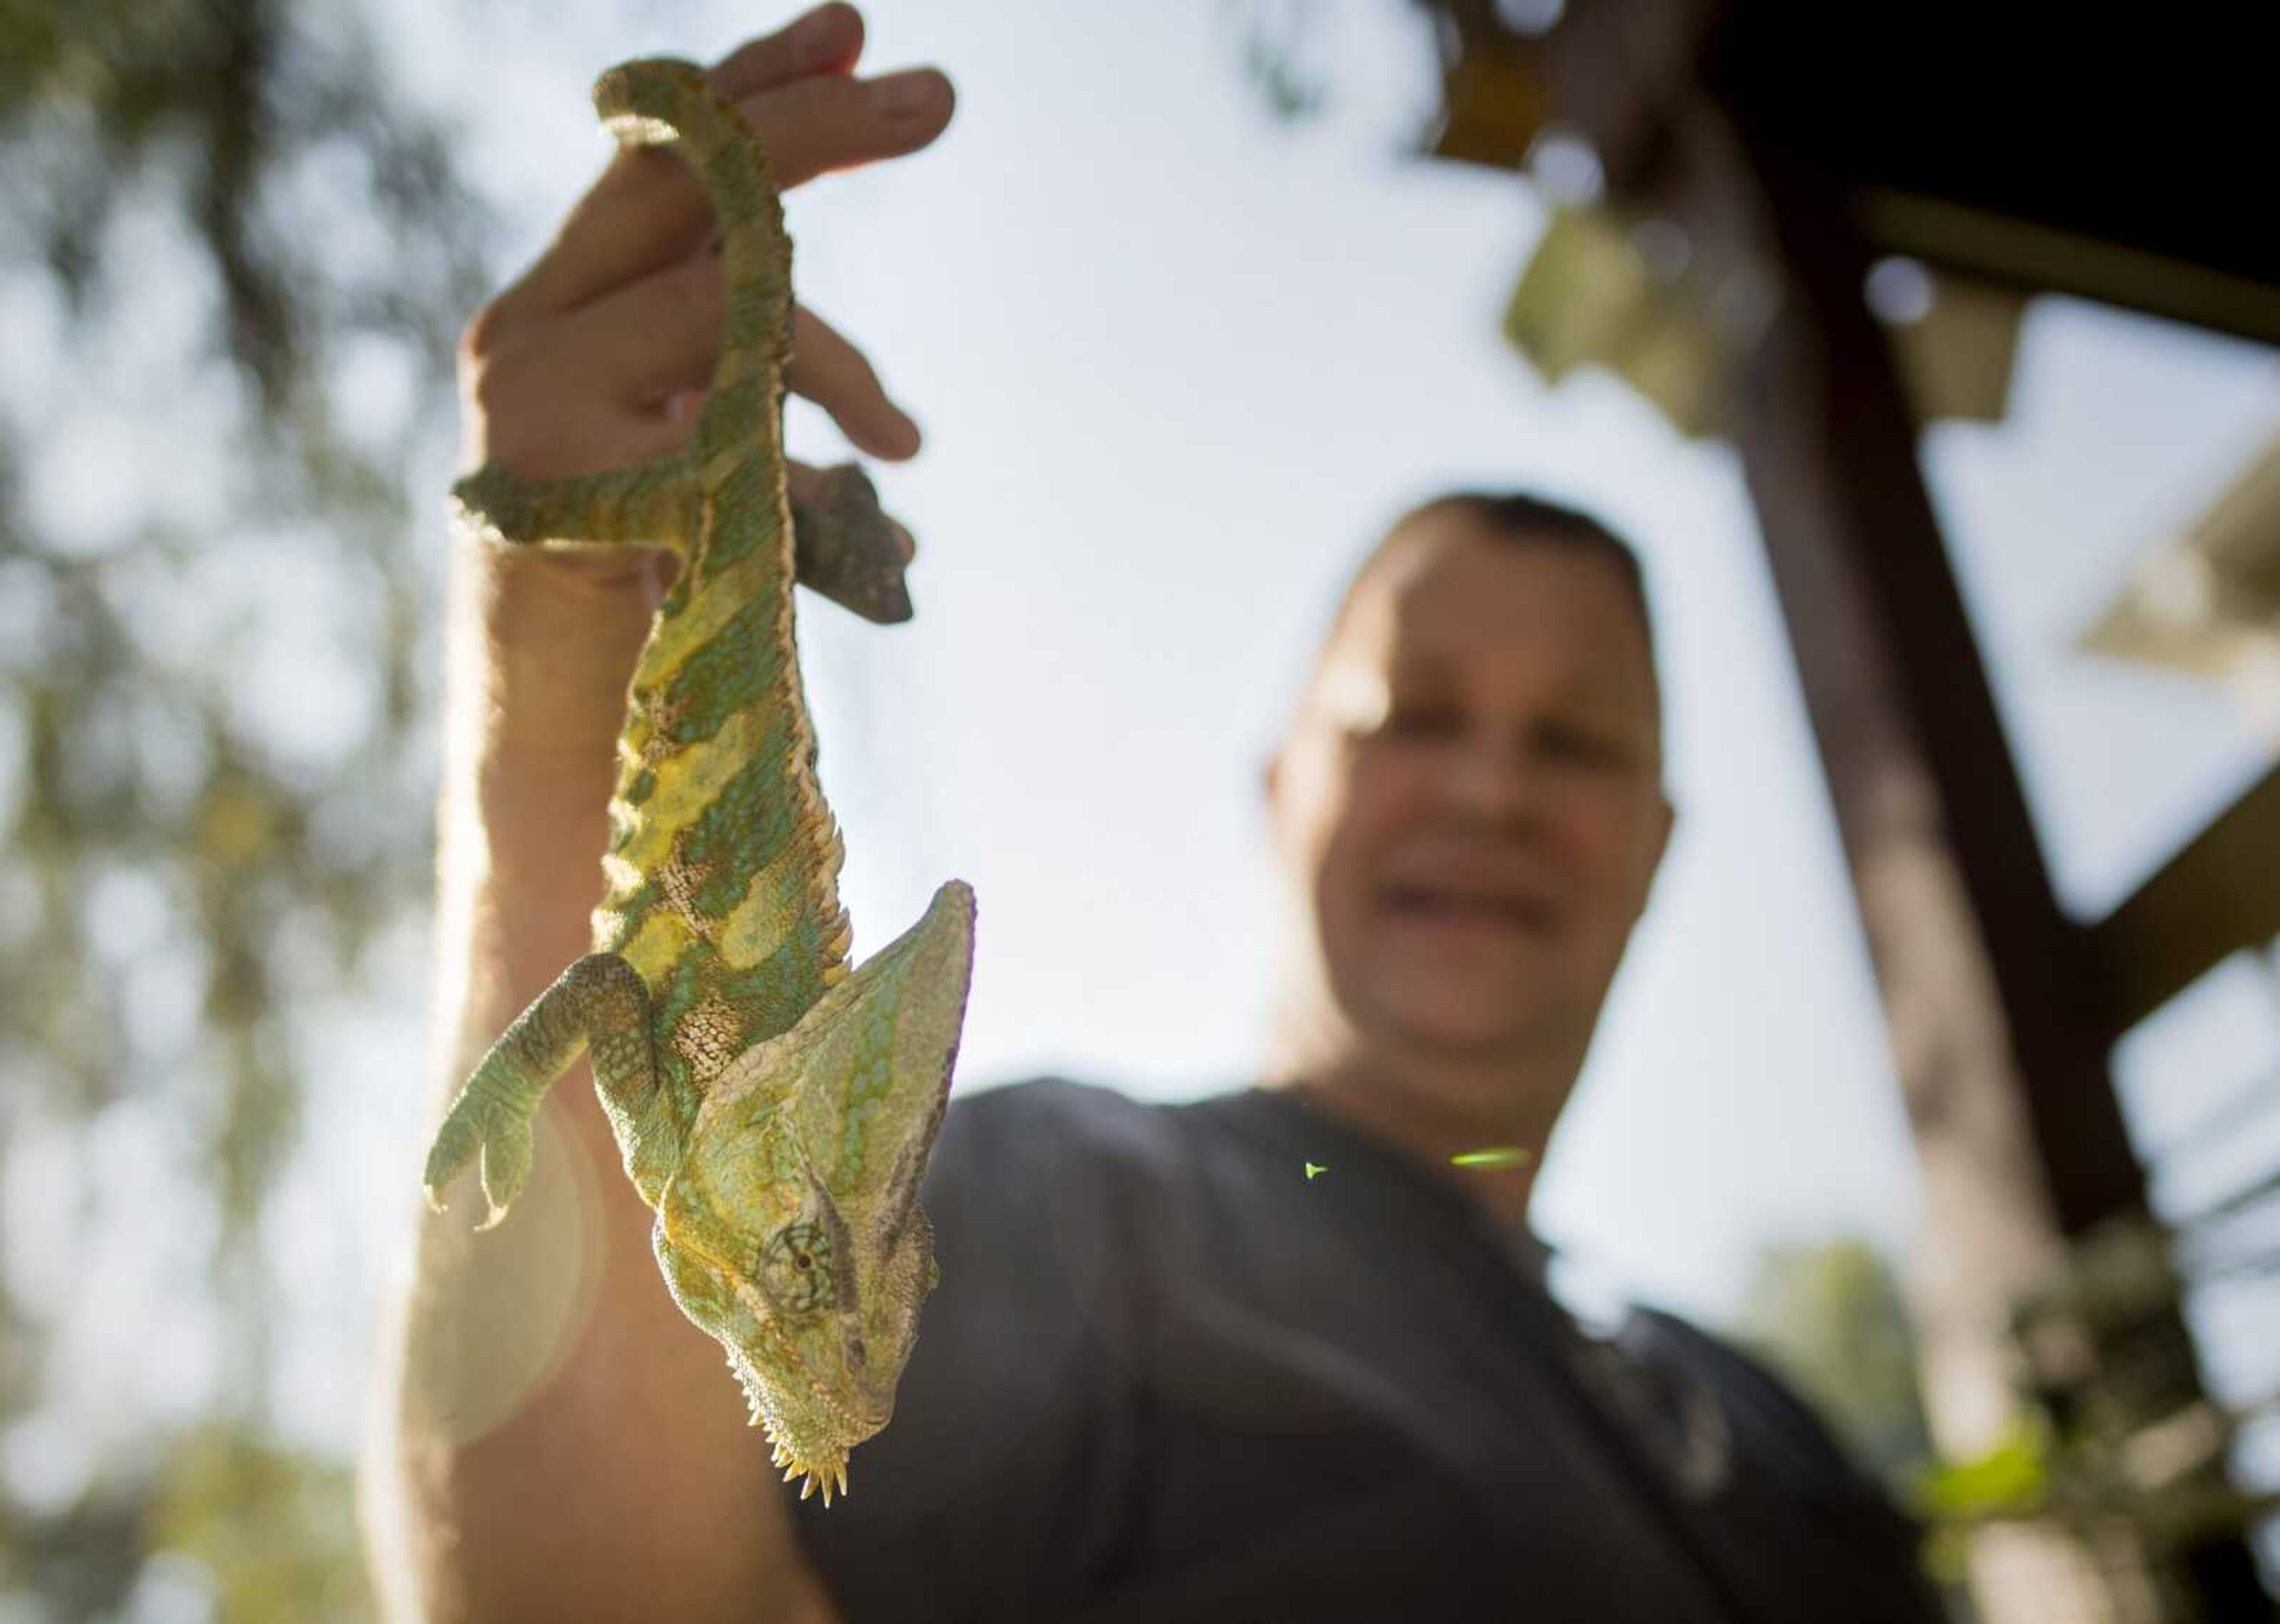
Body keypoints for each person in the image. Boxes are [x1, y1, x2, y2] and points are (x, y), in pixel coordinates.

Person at [363, 7, 1943, 1620]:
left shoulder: (1768, 1426)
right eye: (1417, 719)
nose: (1488, 788)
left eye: (1572, 747)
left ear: (1658, 844)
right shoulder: (1054, 1211)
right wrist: (559, 643)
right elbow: (592, 1595)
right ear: (1281, 786)